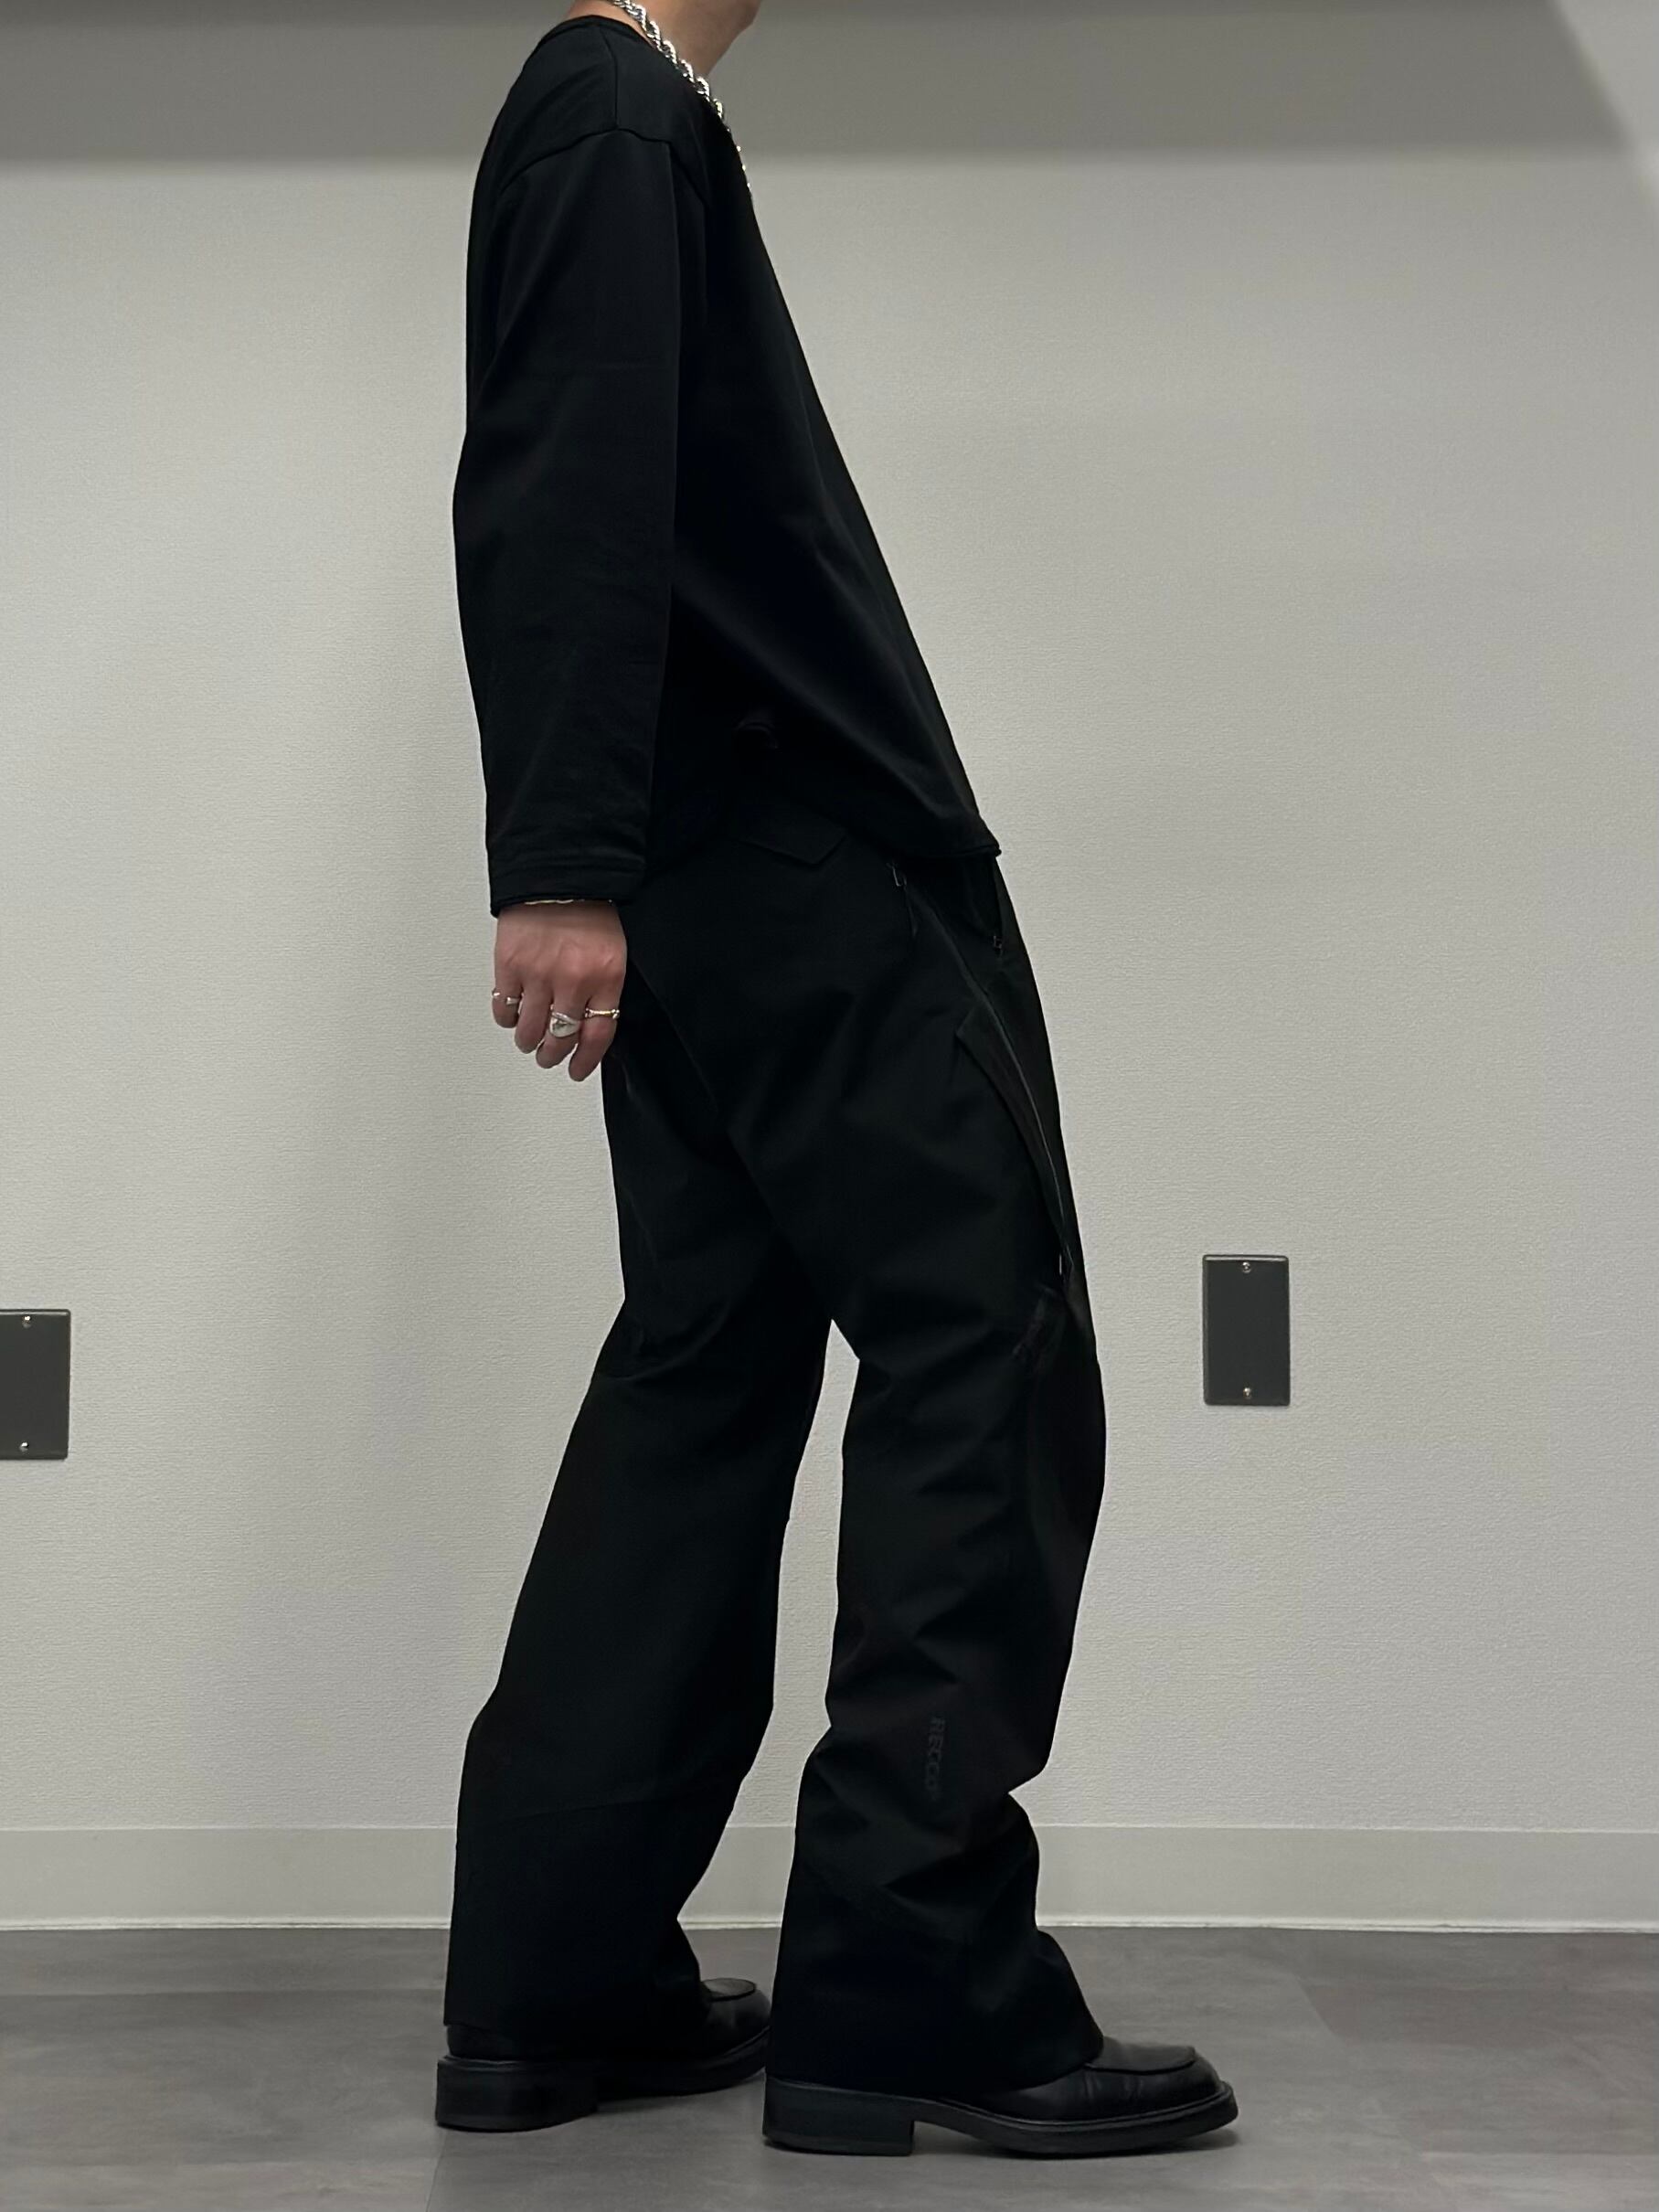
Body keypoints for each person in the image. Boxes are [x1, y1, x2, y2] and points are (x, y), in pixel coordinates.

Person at [435, 0, 1238, 2160]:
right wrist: (555, 863)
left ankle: (555, 1974)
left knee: (702, 1364)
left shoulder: (618, 117)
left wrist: (597, 859)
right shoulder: (614, 112)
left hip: (710, 866)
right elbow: (558, 491)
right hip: (800, 855)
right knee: (983, 1343)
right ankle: (910, 1980)